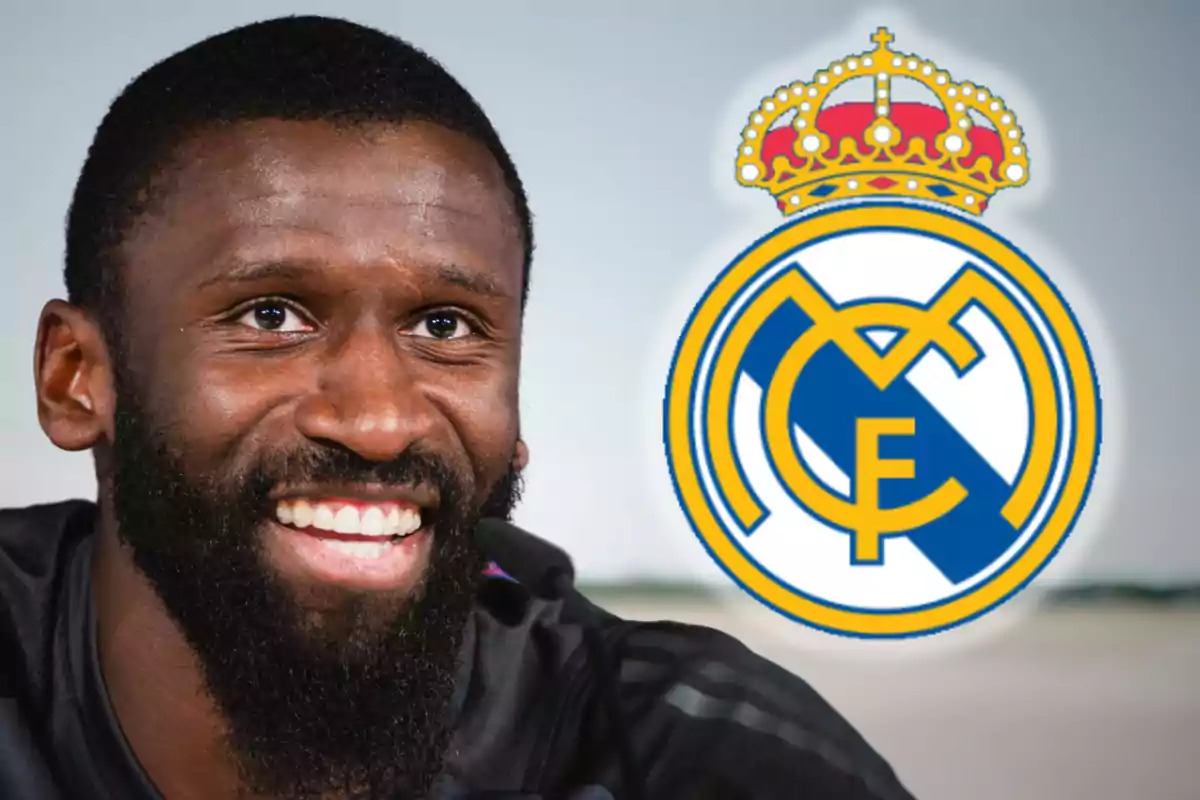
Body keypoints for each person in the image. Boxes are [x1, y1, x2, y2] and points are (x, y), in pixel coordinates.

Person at [0, 15, 917, 800]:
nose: (379, 418)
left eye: (445, 325)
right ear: (76, 377)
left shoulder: (688, 755)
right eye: (271, 315)